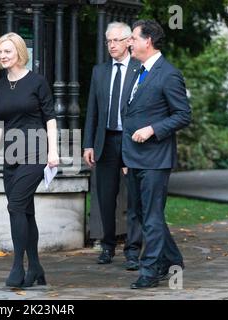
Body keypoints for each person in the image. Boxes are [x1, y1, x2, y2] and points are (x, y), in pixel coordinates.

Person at [0, 32, 59, 288]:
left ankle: (18, 266)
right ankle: (36, 268)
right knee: (25, 211)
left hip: (36, 152)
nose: (3, 56)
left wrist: (53, 151)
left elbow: (50, 118)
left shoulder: (37, 82)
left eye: (7, 51)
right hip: (11, 155)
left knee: (15, 207)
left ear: (19, 52)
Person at [124, 20, 191, 289]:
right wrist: (125, 157)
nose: (129, 42)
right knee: (142, 213)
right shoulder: (137, 71)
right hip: (134, 157)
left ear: (147, 41)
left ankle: (150, 271)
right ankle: (172, 258)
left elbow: (183, 114)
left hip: (155, 158)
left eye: (132, 38)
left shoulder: (169, 74)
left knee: (151, 216)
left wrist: (153, 129)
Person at [83, 22, 143, 271]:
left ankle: (133, 249)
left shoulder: (141, 69)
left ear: (130, 41)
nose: (111, 45)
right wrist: (88, 144)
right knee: (105, 198)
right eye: (108, 41)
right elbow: (92, 112)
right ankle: (107, 246)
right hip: (105, 141)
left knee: (134, 198)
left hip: (132, 142)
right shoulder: (100, 71)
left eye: (116, 40)